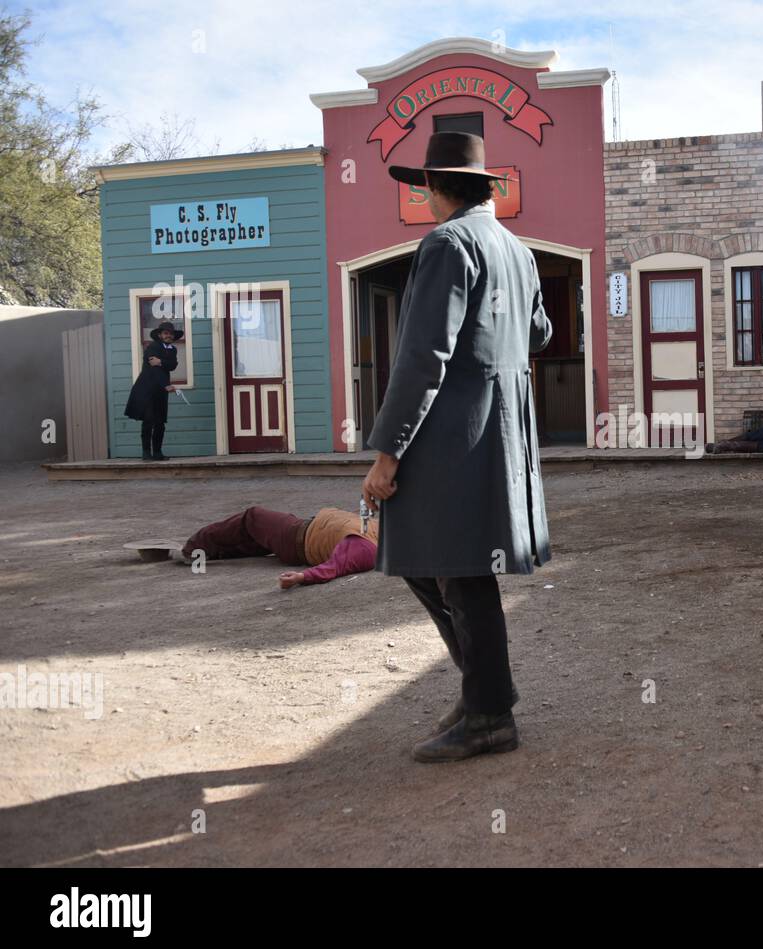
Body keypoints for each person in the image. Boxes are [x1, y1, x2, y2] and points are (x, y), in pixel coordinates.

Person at [361, 131, 551, 764]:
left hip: (452, 437)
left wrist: (387, 452)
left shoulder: (447, 243)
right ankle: (484, 693)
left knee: (458, 569)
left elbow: (424, 355)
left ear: (434, 189)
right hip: (501, 433)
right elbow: (540, 332)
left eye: (422, 187)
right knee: (435, 561)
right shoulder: (517, 251)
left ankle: (490, 714)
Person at [179, 506, 380, 587]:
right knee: (256, 539)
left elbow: (334, 567)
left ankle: (192, 550)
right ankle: (215, 553)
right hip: (302, 529)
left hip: (295, 539)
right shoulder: (381, 530)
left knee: (253, 517)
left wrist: (300, 577)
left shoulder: (366, 549)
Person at [124, 320, 182, 460]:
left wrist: (161, 362)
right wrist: (165, 384)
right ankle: (146, 452)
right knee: (149, 420)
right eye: (166, 333)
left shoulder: (173, 349)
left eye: (171, 334)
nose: (169, 335)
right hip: (147, 388)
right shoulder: (152, 347)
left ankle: (157, 452)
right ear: (160, 335)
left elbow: (172, 365)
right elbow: (153, 367)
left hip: (161, 391)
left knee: (160, 422)